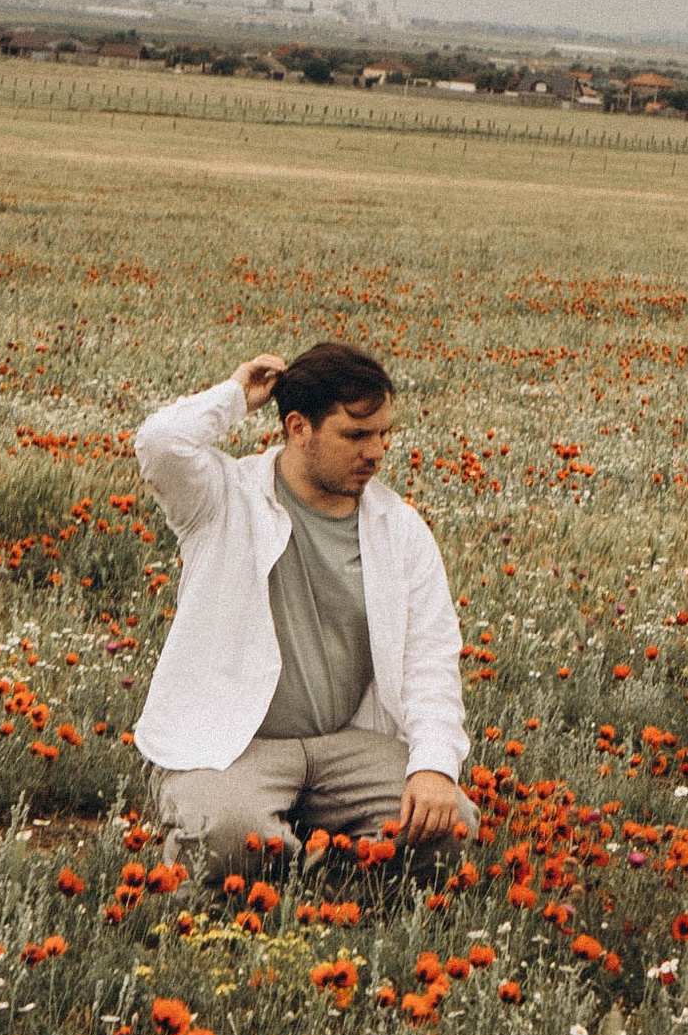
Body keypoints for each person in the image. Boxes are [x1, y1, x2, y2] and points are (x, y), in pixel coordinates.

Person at [131, 341, 478, 875]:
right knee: (229, 838)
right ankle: (294, 856)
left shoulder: (399, 529)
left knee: (447, 826)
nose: (377, 452)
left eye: (384, 433)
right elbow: (160, 443)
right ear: (298, 428)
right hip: (231, 745)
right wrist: (233, 397)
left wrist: (433, 766)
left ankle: (320, 868)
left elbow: (429, 657)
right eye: (356, 435)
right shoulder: (223, 498)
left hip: (345, 743)